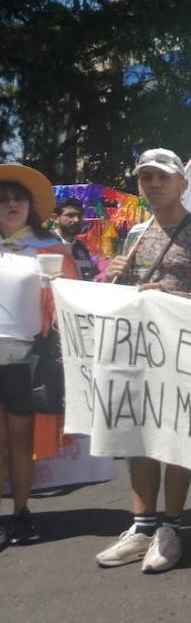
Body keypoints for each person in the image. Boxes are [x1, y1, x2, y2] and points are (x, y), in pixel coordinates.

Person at [94, 147, 191, 574]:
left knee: (175, 439)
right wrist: (110, 276)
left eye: (162, 177)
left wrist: (171, 296)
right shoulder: (135, 235)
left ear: (182, 183)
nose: (153, 185)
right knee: (139, 438)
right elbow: (122, 294)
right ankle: (140, 527)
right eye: (146, 178)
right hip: (139, 350)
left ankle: (170, 528)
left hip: (183, 351)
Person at [0, 164, 78, 548]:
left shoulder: (51, 249)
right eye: (4, 200)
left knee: (18, 437)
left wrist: (60, 287)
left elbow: (75, 302)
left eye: (18, 199)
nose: (11, 205)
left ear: (30, 206)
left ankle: (21, 513)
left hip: (27, 358)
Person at [52, 197, 99, 281]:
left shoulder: (82, 248)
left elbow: (91, 278)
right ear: (56, 218)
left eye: (80, 216)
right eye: (70, 215)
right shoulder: (45, 244)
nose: (76, 220)